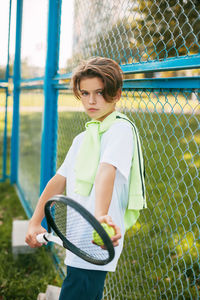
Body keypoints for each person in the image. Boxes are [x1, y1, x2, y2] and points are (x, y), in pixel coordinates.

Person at [25, 56, 146, 300]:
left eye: (100, 92)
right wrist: (35, 221)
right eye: (85, 93)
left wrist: (100, 217)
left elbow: (106, 171)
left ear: (117, 94)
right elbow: (58, 180)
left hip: (97, 239)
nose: (91, 100)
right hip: (77, 236)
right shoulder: (82, 138)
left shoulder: (120, 130)